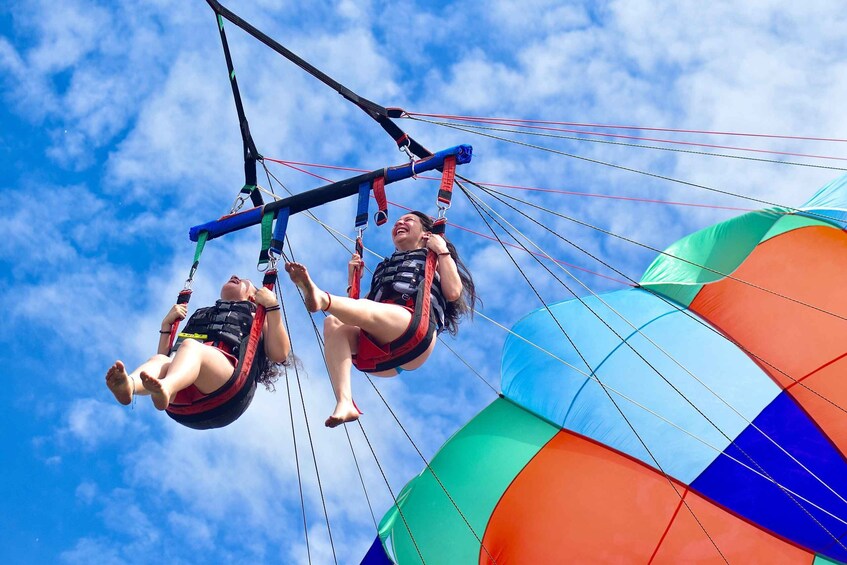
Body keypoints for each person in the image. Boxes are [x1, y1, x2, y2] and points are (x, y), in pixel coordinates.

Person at [286, 211, 476, 428]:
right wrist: (352, 282)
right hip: (382, 356)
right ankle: (345, 401)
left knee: (360, 309)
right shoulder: (384, 267)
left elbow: (453, 292)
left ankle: (322, 298)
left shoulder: (435, 258)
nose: (400, 224)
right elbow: (359, 314)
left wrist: (441, 249)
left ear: (426, 233)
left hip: (414, 329)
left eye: (408, 221)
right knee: (333, 323)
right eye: (396, 223)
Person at [105, 275, 291, 422]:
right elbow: (165, 360)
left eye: (244, 280)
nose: (235, 276)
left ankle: (166, 388)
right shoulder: (204, 313)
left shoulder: (257, 316)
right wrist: (166, 325)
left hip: (225, 387)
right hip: (180, 389)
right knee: (159, 360)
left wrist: (271, 306)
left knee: (190, 347)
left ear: (253, 296)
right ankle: (130, 385)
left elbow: (279, 353)